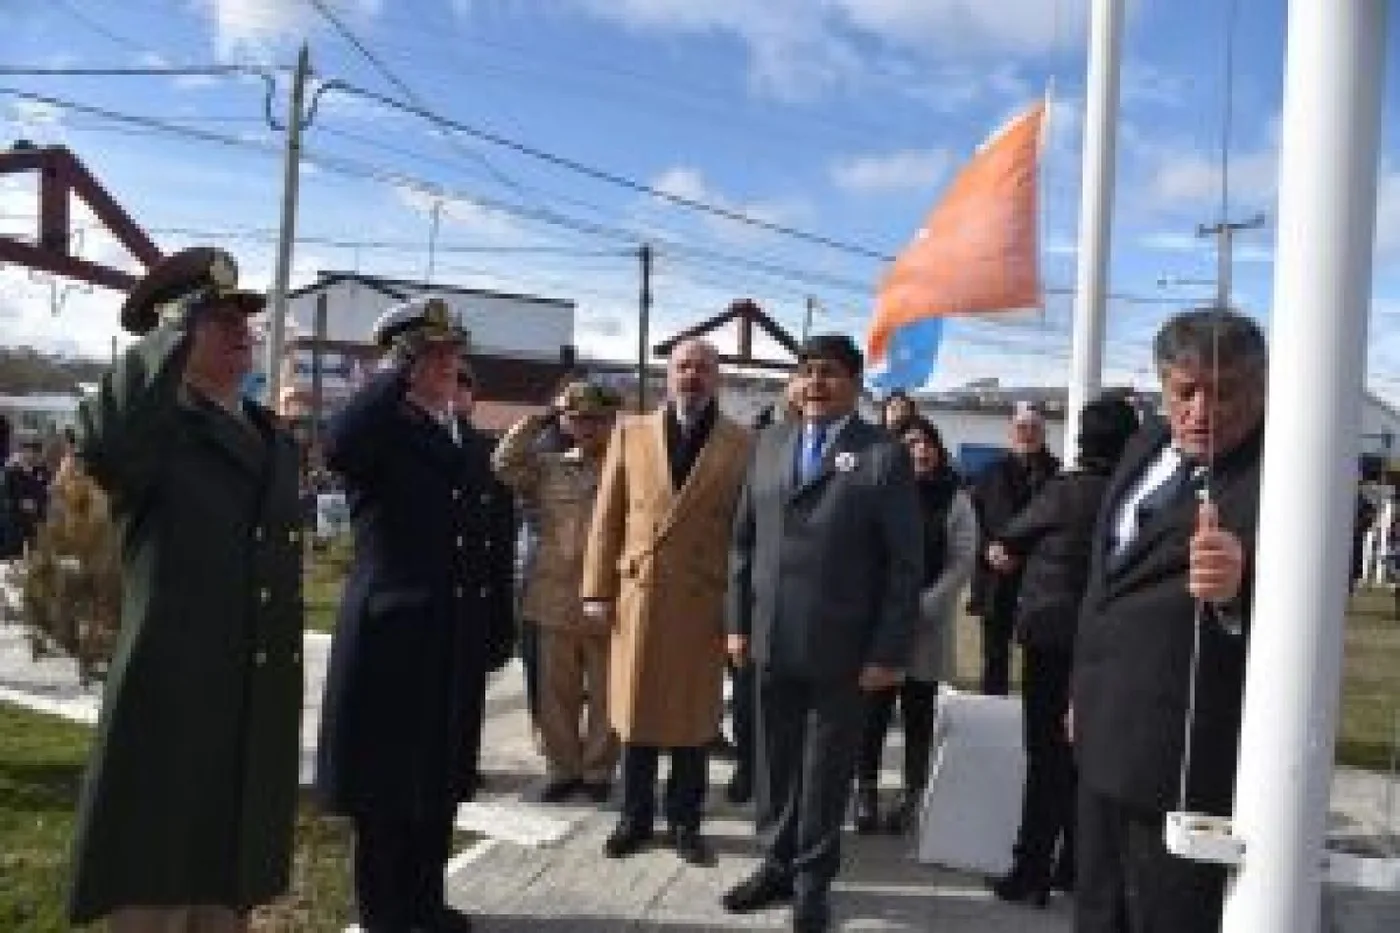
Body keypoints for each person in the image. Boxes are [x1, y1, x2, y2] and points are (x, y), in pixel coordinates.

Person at [66, 247, 304, 932]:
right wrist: (169, 330)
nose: (239, 330)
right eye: (213, 317)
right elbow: (106, 436)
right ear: (171, 333)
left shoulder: (271, 439)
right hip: (170, 704)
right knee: (157, 894)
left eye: (243, 318)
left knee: (225, 899)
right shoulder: (152, 432)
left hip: (250, 706)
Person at [315, 296, 516, 933]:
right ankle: (385, 914)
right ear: (400, 361)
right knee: (385, 786)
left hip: (453, 636)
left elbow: (492, 541)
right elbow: (338, 447)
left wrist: (495, 625)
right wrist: (391, 375)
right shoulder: (379, 431)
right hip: (391, 636)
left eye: (452, 352)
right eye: (429, 354)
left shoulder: (466, 438)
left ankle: (426, 903)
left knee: (441, 776)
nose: (446, 363)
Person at [1072, 308, 1266, 933]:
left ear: (1261, 389)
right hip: (1103, 735)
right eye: (1186, 392)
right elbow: (1105, 583)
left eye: (1225, 391)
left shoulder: (1283, 477)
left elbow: (1315, 599)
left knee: (1168, 915)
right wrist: (1082, 692)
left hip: (1185, 760)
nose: (1202, 411)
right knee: (1097, 908)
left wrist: (1242, 585)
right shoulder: (1147, 444)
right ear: (1164, 387)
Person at [724, 334, 923, 932]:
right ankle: (776, 865)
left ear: (856, 384)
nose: (815, 382)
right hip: (769, 640)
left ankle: (812, 883)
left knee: (824, 771)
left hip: (845, 651)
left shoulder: (882, 454)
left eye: (830, 373)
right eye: (806, 371)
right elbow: (742, 543)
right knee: (774, 764)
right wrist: (735, 625)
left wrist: (888, 651)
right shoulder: (768, 444)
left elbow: (905, 565)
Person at [581, 338, 751, 866]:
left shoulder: (741, 442)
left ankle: (685, 822)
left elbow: (748, 534)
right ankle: (634, 818)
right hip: (641, 594)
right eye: (683, 366)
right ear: (668, 375)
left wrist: (741, 612)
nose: (692, 375)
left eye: (703, 367)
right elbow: (606, 517)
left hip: (703, 598)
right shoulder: (631, 433)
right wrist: (595, 589)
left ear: (717, 377)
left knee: (693, 719)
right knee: (634, 714)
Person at [983, 396, 1140, 907]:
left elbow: (1013, 532)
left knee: (1045, 758)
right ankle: (1076, 866)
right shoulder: (1134, 495)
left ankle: (1031, 869)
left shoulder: (1066, 491)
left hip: (1052, 639)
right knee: (1088, 760)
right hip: (1110, 644)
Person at [493, 381, 624, 803]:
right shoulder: (547, 468)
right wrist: (543, 416)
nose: (586, 427)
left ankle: (599, 771)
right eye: (577, 418)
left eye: (596, 419)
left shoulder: (626, 468)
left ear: (611, 422)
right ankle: (562, 768)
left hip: (610, 597)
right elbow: (503, 463)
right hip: (553, 597)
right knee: (555, 693)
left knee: (608, 693)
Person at [854, 416, 977, 836]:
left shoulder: (955, 499)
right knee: (873, 711)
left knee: (919, 712)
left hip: (926, 623)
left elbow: (963, 559)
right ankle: (865, 790)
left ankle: (912, 794)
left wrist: (927, 602)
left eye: (927, 443)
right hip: (882, 622)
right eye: (910, 443)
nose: (920, 451)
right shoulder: (878, 492)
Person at [970, 402, 1060, 695]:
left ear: (1044, 433)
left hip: (1040, 579)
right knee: (994, 655)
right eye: (1021, 427)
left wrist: (1025, 556)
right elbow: (973, 521)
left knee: (1041, 659)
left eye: (1034, 428)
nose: (1027, 434)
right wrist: (989, 549)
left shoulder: (1058, 475)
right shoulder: (989, 473)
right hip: (996, 576)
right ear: (1010, 432)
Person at [3, 436, 50, 555]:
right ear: (22, 451)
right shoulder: (11, 472)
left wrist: (39, 506)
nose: (32, 455)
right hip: (15, 528)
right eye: (29, 450)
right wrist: (20, 503)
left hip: (36, 527)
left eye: (36, 451)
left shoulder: (41, 471)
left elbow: (44, 496)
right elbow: (6, 499)